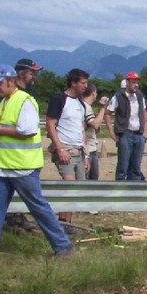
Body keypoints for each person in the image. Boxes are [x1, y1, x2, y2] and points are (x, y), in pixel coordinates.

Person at [0, 65, 72, 260]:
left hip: (22, 168)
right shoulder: (6, 101)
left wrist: (0, 130)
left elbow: (27, 130)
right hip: (3, 167)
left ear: (11, 81)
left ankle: (62, 245)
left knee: (37, 207)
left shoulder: (25, 101)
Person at [45, 68, 91, 231]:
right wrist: (59, 148)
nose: (85, 86)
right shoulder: (59, 99)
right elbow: (50, 123)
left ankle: (68, 222)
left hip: (79, 151)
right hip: (65, 149)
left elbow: (81, 129)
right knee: (69, 186)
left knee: (77, 189)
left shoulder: (80, 104)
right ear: (73, 83)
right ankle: (61, 222)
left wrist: (85, 156)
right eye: (83, 83)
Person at [105, 72, 147, 181]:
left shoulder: (140, 96)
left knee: (136, 166)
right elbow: (107, 113)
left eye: (137, 83)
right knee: (123, 166)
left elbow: (144, 112)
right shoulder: (118, 96)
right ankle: (120, 191)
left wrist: (145, 131)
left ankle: (135, 191)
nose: (136, 85)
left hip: (138, 133)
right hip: (125, 134)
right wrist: (111, 132)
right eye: (133, 82)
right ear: (127, 83)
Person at [82, 83, 107, 180]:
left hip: (91, 147)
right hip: (88, 148)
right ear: (93, 93)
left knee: (93, 178)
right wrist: (103, 108)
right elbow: (95, 124)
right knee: (90, 178)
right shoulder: (86, 107)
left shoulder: (87, 107)